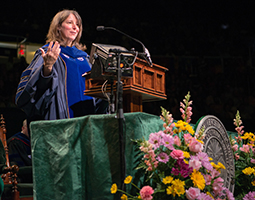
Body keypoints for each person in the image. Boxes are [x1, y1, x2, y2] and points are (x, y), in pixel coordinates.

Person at [15, 9, 108, 126]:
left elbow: (96, 89)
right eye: (70, 23)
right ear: (58, 27)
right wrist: (47, 66)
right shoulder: (48, 52)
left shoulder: (85, 58)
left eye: (78, 24)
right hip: (61, 117)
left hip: (88, 118)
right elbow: (35, 89)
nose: (75, 27)